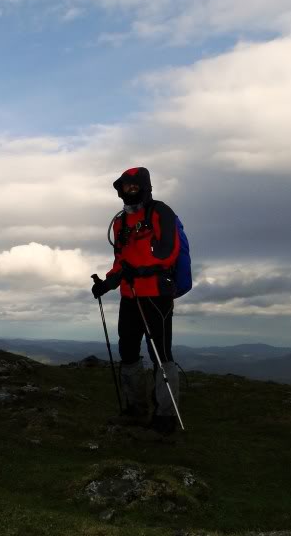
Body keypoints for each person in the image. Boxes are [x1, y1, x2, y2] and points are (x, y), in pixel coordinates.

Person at [91, 167, 182, 435]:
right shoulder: (121, 222)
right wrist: (107, 283)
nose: (129, 191)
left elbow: (168, 253)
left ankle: (166, 416)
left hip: (157, 294)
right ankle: (135, 409)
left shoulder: (160, 212)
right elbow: (121, 261)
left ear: (145, 186)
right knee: (128, 352)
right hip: (129, 295)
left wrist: (140, 270)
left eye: (134, 186)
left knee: (161, 355)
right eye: (124, 187)